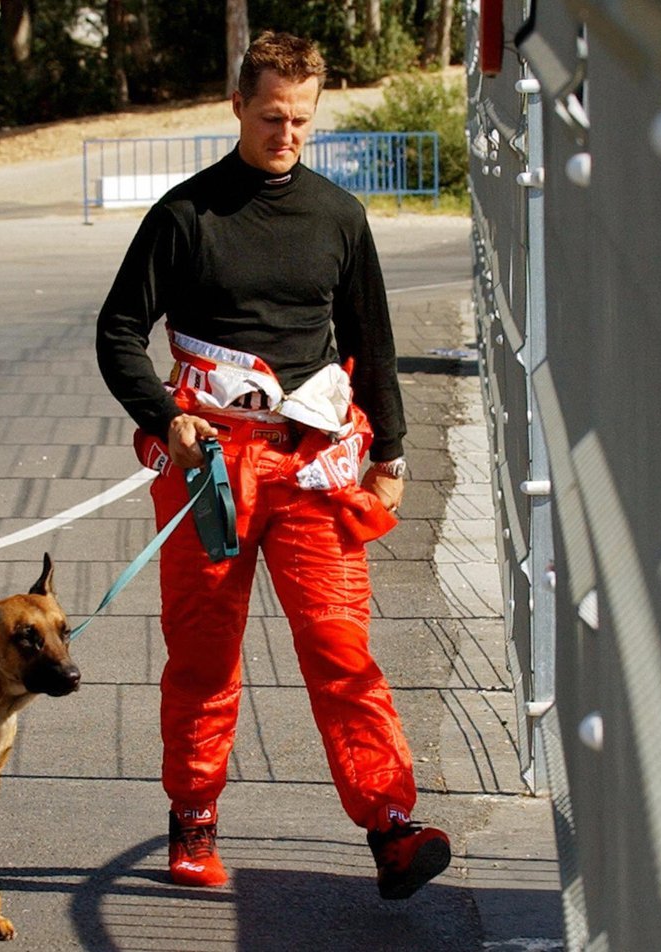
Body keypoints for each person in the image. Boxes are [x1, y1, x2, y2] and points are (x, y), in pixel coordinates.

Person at [95, 30, 451, 900]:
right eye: (269, 117)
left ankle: (390, 826)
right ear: (237, 107)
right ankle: (194, 820)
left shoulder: (339, 216)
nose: (285, 133)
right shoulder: (184, 216)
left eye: (300, 119)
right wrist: (167, 417)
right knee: (203, 658)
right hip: (208, 471)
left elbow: (373, 343)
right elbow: (117, 335)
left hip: (311, 469)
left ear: (315, 114)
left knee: (340, 649)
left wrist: (392, 456)